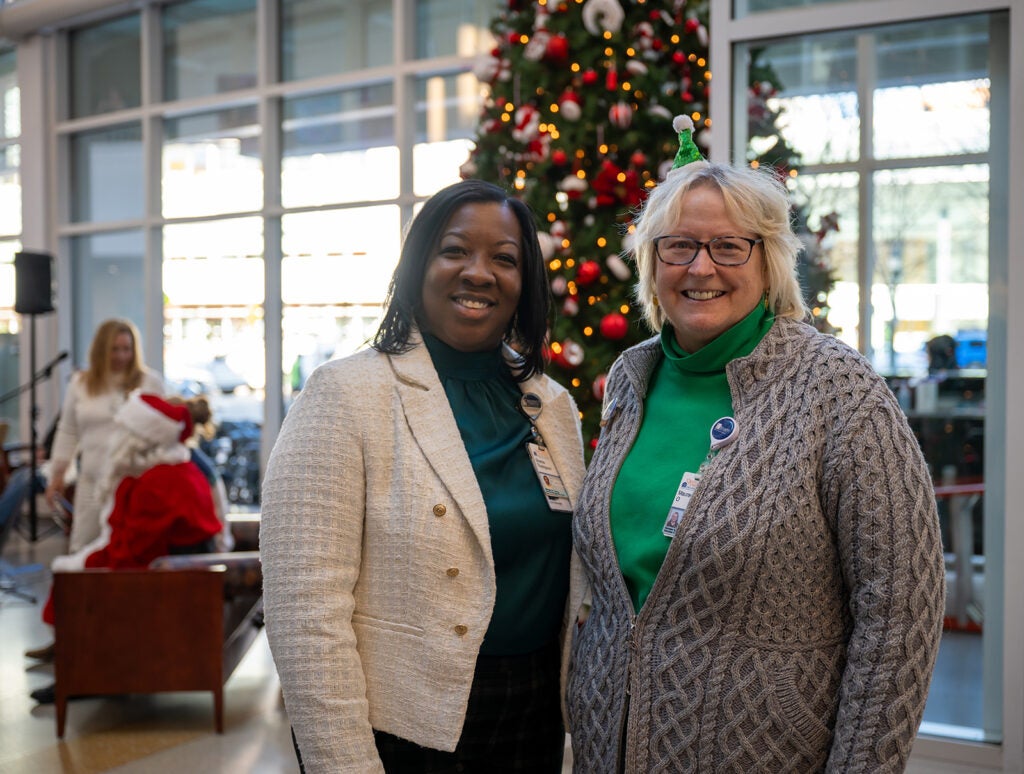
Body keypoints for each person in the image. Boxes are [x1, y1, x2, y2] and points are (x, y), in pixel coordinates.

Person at [567, 117, 945, 773]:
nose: (701, 267)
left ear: (767, 260)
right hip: (610, 750)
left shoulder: (838, 390)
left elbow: (901, 613)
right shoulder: (631, 379)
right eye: (678, 246)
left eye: (728, 247)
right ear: (652, 263)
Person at [260, 179, 587, 772]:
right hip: (402, 726)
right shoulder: (346, 394)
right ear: (418, 266)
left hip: (534, 711)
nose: (479, 273)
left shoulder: (553, 405)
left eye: (504, 259)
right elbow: (304, 610)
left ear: (525, 282)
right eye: (454, 250)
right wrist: (343, 760)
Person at [27, 391, 223, 702]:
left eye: (124, 430)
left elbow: (132, 554)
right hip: (177, 577)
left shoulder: (155, 484)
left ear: (140, 437)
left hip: (160, 585)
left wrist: (88, 564)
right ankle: (80, 668)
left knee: (77, 584)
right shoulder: (177, 470)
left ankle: (83, 676)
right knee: (80, 568)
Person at [45, 318, 163, 553]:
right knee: (83, 548)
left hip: (133, 485)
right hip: (91, 482)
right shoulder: (81, 383)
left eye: (126, 349)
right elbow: (68, 430)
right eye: (114, 349)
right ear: (101, 350)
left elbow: (161, 434)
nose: (121, 356)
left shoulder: (150, 382)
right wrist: (57, 474)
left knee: (131, 552)